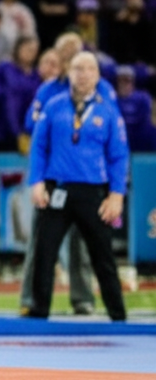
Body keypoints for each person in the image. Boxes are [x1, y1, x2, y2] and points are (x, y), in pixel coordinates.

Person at [26, 51, 128, 322]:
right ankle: (39, 315)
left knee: (102, 257)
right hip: (56, 188)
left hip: (93, 191)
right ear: (69, 72)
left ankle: (119, 316)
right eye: (78, 68)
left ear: (97, 75)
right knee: (44, 253)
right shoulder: (54, 105)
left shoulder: (107, 110)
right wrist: (36, 182)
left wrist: (116, 195)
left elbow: (119, 156)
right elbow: (38, 147)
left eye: (89, 69)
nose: (83, 74)